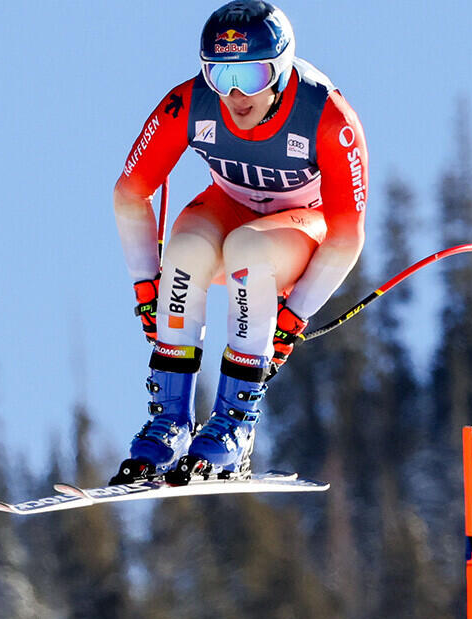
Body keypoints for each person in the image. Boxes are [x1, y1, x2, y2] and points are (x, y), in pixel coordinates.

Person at [111, 0, 368, 483]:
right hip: (228, 205)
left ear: (282, 70)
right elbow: (130, 194)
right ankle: (169, 422)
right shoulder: (189, 103)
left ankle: (233, 427)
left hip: (299, 224)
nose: (234, 95)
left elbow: (347, 235)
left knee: (249, 250)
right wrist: (148, 287)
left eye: (250, 77)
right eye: (219, 76)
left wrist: (295, 314)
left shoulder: (326, 116)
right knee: (185, 253)